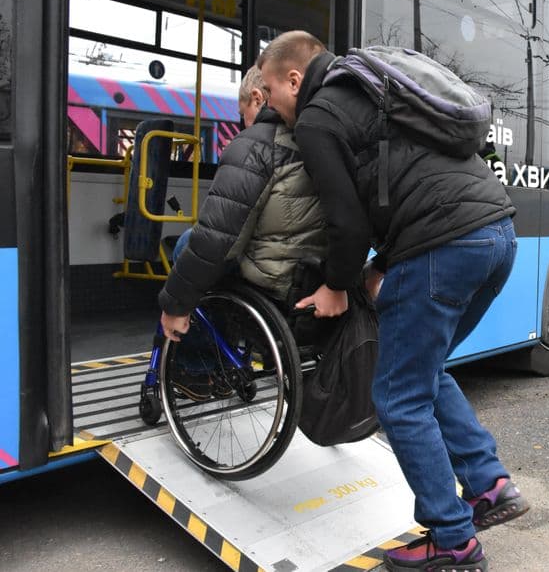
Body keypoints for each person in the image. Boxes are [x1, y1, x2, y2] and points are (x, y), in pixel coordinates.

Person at [257, 31, 526, 571]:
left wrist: (336, 286)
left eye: (268, 92)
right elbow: (407, 182)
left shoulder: (317, 116)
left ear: (293, 78)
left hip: (442, 247)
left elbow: (347, 221)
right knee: (426, 369)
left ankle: (453, 541)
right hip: (497, 235)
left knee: (399, 397)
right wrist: (382, 267)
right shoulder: (376, 86)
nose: (268, 105)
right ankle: (488, 484)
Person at [158, 66, 328, 356]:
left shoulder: (257, 143)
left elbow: (218, 239)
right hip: (314, 273)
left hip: (273, 282)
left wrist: (174, 304)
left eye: (242, 114)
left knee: (189, 246)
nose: (244, 124)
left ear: (258, 97)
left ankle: (200, 366)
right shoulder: (322, 137)